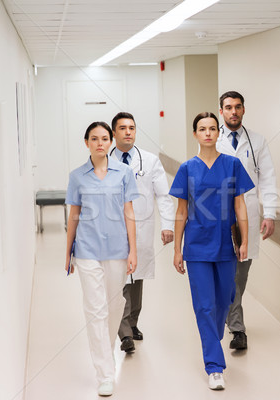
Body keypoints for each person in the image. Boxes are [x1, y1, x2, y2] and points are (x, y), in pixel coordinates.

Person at [170, 112, 254, 390]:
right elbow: (181, 211)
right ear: (195, 134)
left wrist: (244, 240)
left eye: (212, 128)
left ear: (218, 133)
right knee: (204, 306)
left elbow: (240, 205)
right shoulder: (186, 168)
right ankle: (215, 366)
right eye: (202, 129)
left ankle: (214, 334)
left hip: (225, 245)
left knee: (225, 300)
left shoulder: (232, 164)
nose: (207, 133)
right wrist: (177, 249)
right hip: (196, 247)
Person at [65, 121, 139, 397]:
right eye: (94, 138)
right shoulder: (77, 176)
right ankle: (105, 373)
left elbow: (129, 212)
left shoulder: (124, 173)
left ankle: (104, 353)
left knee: (114, 304)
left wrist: (133, 250)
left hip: (118, 250)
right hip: (86, 250)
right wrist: (68, 250)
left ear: (110, 142)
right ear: (87, 143)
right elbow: (74, 214)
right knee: (95, 309)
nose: (99, 143)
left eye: (104, 138)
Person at [216, 91, 278, 350]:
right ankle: (237, 327)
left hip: (249, 214)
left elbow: (268, 178)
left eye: (237, 107)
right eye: (228, 107)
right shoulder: (211, 138)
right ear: (221, 111)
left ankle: (233, 321)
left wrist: (270, 213)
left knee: (240, 275)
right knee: (224, 273)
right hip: (218, 215)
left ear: (243, 110)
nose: (233, 112)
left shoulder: (258, 141)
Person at [109, 112, 175, 353]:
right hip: (113, 228)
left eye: (132, 128)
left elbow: (163, 195)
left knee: (136, 278)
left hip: (142, 226)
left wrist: (168, 225)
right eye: (123, 128)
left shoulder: (149, 161)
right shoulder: (104, 161)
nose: (128, 132)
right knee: (120, 279)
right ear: (113, 132)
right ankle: (124, 332)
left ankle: (132, 323)